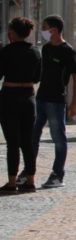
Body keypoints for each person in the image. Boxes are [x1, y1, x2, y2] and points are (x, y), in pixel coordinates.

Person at [30, 15, 76, 189]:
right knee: (32, 136)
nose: (43, 31)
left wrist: (74, 103)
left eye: (45, 27)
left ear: (55, 30)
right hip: (41, 98)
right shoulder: (46, 49)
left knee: (58, 138)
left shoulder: (67, 51)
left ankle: (58, 174)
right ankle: (29, 171)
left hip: (56, 100)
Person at [0, 17, 41, 193]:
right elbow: (37, 78)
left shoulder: (6, 52)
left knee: (12, 142)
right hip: (29, 97)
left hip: (9, 96)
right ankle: (30, 180)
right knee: (27, 141)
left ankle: (11, 181)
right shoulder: (35, 52)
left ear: (13, 33)